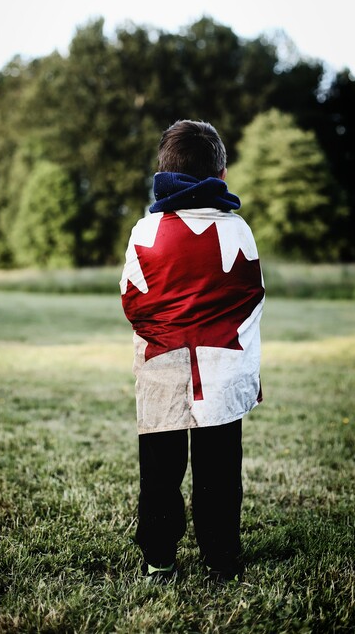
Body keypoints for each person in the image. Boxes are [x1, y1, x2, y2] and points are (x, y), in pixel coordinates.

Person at [120, 119, 265, 583]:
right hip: (222, 369)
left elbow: (132, 300)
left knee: (159, 471)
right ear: (221, 175)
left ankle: (159, 558)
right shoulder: (238, 229)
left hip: (161, 368)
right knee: (220, 471)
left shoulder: (145, 231)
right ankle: (221, 559)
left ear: (164, 171)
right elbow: (251, 294)